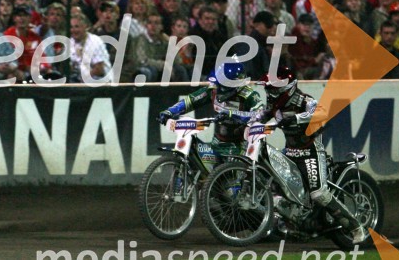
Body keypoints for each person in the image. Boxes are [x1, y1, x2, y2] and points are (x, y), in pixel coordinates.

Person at [259, 66, 369, 244]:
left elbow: (322, 112)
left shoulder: (304, 100)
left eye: (273, 88)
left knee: (319, 194)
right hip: (289, 152)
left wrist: (295, 118)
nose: (269, 92)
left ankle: (357, 228)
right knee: (274, 183)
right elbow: (257, 117)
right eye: (268, 88)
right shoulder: (273, 105)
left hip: (310, 152)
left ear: (287, 87)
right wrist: (242, 120)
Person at [158, 59, 262, 158]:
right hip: (216, 144)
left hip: (241, 146)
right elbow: (190, 101)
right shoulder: (213, 90)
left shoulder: (250, 95)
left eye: (223, 85)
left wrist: (232, 114)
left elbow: (259, 115)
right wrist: (169, 111)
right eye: (218, 84)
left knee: (234, 175)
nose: (218, 89)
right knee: (207, 171)